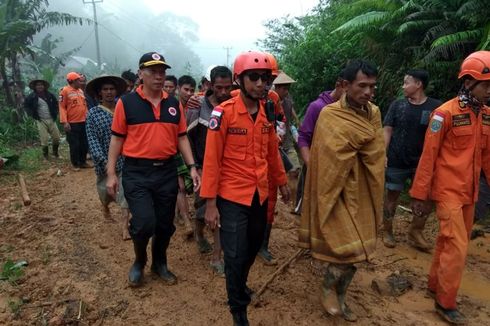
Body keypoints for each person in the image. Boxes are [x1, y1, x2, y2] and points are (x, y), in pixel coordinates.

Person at [201, 51, 290, 325]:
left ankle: (239, 284)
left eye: (265, 78)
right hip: (231, 197)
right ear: (239, 80)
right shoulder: (224, 113)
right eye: (254, 78)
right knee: (236, 255)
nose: (261, 83)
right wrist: (211, 203)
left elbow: (272, 153)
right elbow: (212, 159)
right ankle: (238, 310)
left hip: (259, 194)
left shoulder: (267, 112)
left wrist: (283, 182)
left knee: (252, 248)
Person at [106, 52, 200, 287]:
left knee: (165, 225)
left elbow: (181, 137)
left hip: (166, 171)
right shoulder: (126, 103)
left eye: (162, 72)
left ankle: (160, 263)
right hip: (137, 172)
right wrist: (110, 174)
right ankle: (139, 261)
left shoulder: (172, 103)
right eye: (153, 71)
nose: (159, 76)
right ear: (140, 74)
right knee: (144, 223)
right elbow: (116, 140)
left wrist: (191, 167)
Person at [299, 59, 383, 322]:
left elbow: (377, 151)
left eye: (372, 86)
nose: (368, 92)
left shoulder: (374, 113)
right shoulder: (329, 114)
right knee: (345, 249)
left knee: (358, 252)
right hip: (336, 188)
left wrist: (363, 148)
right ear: (346, 85)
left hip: (365, 188)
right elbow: (326, 155)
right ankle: (327, 288)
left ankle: (341, 294)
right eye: (362, 86)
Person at [409, 51, 490, 325]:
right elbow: (428, 157)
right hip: (448, 192)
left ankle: (435, 284)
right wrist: (420, 195)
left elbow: (488, 156)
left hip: (470, 193)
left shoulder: (487, 115)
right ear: (468, 82)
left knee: (447, 241)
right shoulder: (444, 114)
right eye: (486, 85)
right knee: (457, 246)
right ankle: (445, 303)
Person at [382, 69, 442, 250]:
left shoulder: (436, 107)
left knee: (426, 198)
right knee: (392, 196)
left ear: (418, 84)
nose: (403, 86)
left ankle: (416, 231)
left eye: (406, 82)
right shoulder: (397, 105)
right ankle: (387, 230)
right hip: (396, 160)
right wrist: (383, 153)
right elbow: (387, 129)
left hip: (423, 164)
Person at [187, 65, 233, 276]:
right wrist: (193, 167)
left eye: (227, 87)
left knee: (221, 212)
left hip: (228, 167)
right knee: (202, 206)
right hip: (203, 166)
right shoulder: (198, 107)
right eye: (219, 88)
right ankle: (198, 233)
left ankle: (217, 257)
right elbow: (187, 138)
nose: (223, 92)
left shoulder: (234, 104)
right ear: (210, 85)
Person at [85, 75, 131, 240]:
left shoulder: (123, 109)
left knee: (125, 193)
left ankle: (125, 227)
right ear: (100, 93)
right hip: (103, 162)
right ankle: (105, 206)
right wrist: (105, 161)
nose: (109, 92)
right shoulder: (93, 114)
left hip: (125, 160)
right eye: (105, 89)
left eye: (112, 89)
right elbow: (92, 141)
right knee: (106, 193)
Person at [295, 73, 345, 214]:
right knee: (309, 208)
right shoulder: (317, 107)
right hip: (316, 164)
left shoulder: (350, 110)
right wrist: (311, 165)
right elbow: (303, 137)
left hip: (338, 167)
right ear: (339, 85)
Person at [175, 75, 198, 237]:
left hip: (189, 152)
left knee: (187, 187)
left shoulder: (195, 106)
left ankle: (181, 214)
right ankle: (187, 221)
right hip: (173, 152)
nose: (189, 93)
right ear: (178, 89)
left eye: (191, 90)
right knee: (181, 187)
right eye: (185, 89)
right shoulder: (171, 106)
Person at [59, 72, 90, 170]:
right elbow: (62, 107)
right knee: (74, 144)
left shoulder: (80, 91)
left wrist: (88, 117)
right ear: (71, 81)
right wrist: (65, 122)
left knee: (84, 143)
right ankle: (75, 164)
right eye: (78, 80)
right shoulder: (64, 91)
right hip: (72, 123)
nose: (80, 82)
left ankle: (83, 161)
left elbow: (84, 106)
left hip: (83, 121)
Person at [24, 79, 61, 159]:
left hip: (51, 119)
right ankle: (46, 156)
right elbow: (26, 106)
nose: (40, 86)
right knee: (44, 139)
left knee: (56, 138)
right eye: (37, 85)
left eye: (41, 85)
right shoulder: (31, 96)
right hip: (41, 120)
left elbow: (56, 104)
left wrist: (56, 112)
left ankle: (55, 153)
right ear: (35, 87)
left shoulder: (50, 95)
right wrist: (32, 114)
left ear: (44, 86)